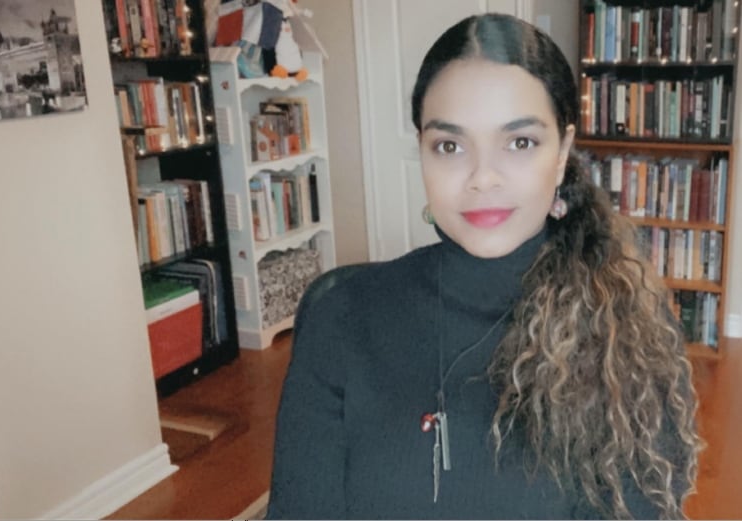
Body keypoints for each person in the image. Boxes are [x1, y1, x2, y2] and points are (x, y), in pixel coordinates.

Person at [266, 13, 701, 520]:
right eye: (450, 146)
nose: (482, 177)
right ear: (422, 152)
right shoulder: (339, 316)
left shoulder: (629, 331)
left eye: (520, 142)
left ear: (562, 152)